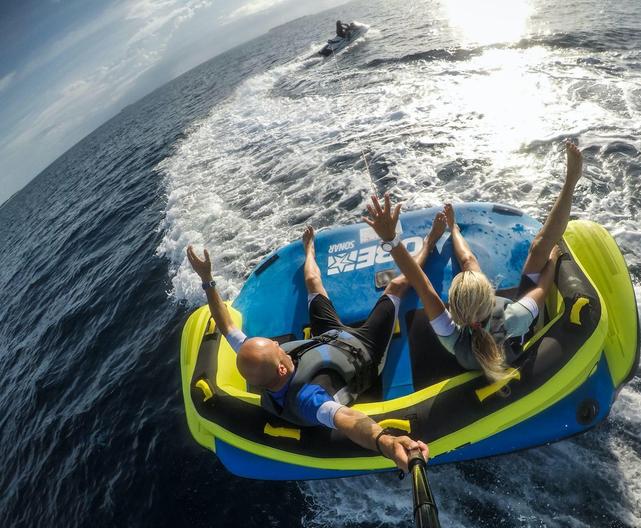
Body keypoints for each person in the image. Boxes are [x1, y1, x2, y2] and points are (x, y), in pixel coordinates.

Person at [185, 219, 446, 471]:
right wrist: (386, 442)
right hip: (365, 350)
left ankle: (309, 249)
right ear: (282, 370)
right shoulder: (309, 400)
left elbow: (227, 326)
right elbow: (349, 421)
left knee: (313, 283)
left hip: (326, 339)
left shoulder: (259, 361)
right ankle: (430, 242)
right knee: (397, 286)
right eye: (276, 348)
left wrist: (207, 279)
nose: (279, 344)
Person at [362, 141, 583, 382]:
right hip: (512, 342)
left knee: (468, 261)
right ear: (491, 293)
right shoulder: (514, 317)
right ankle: (571, 181)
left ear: (453, 309)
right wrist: (553, 258)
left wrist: (391, 240)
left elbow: (421, 282)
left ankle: (454, 228)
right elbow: (542, 286)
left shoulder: (450, 334)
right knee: (540, 246)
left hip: (480, 337)